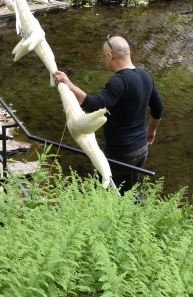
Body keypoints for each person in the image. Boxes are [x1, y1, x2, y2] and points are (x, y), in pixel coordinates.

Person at [53, 35, 164, 192]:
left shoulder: (119, 81)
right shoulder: (146, 75)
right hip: (141, 150)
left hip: (121, 153)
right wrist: (151, 130)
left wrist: (68, 84)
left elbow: (95, 105)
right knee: (129, 190)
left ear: (110, 55)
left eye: (105, 56)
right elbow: (158, 108)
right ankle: (130, 212)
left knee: (101, 188)